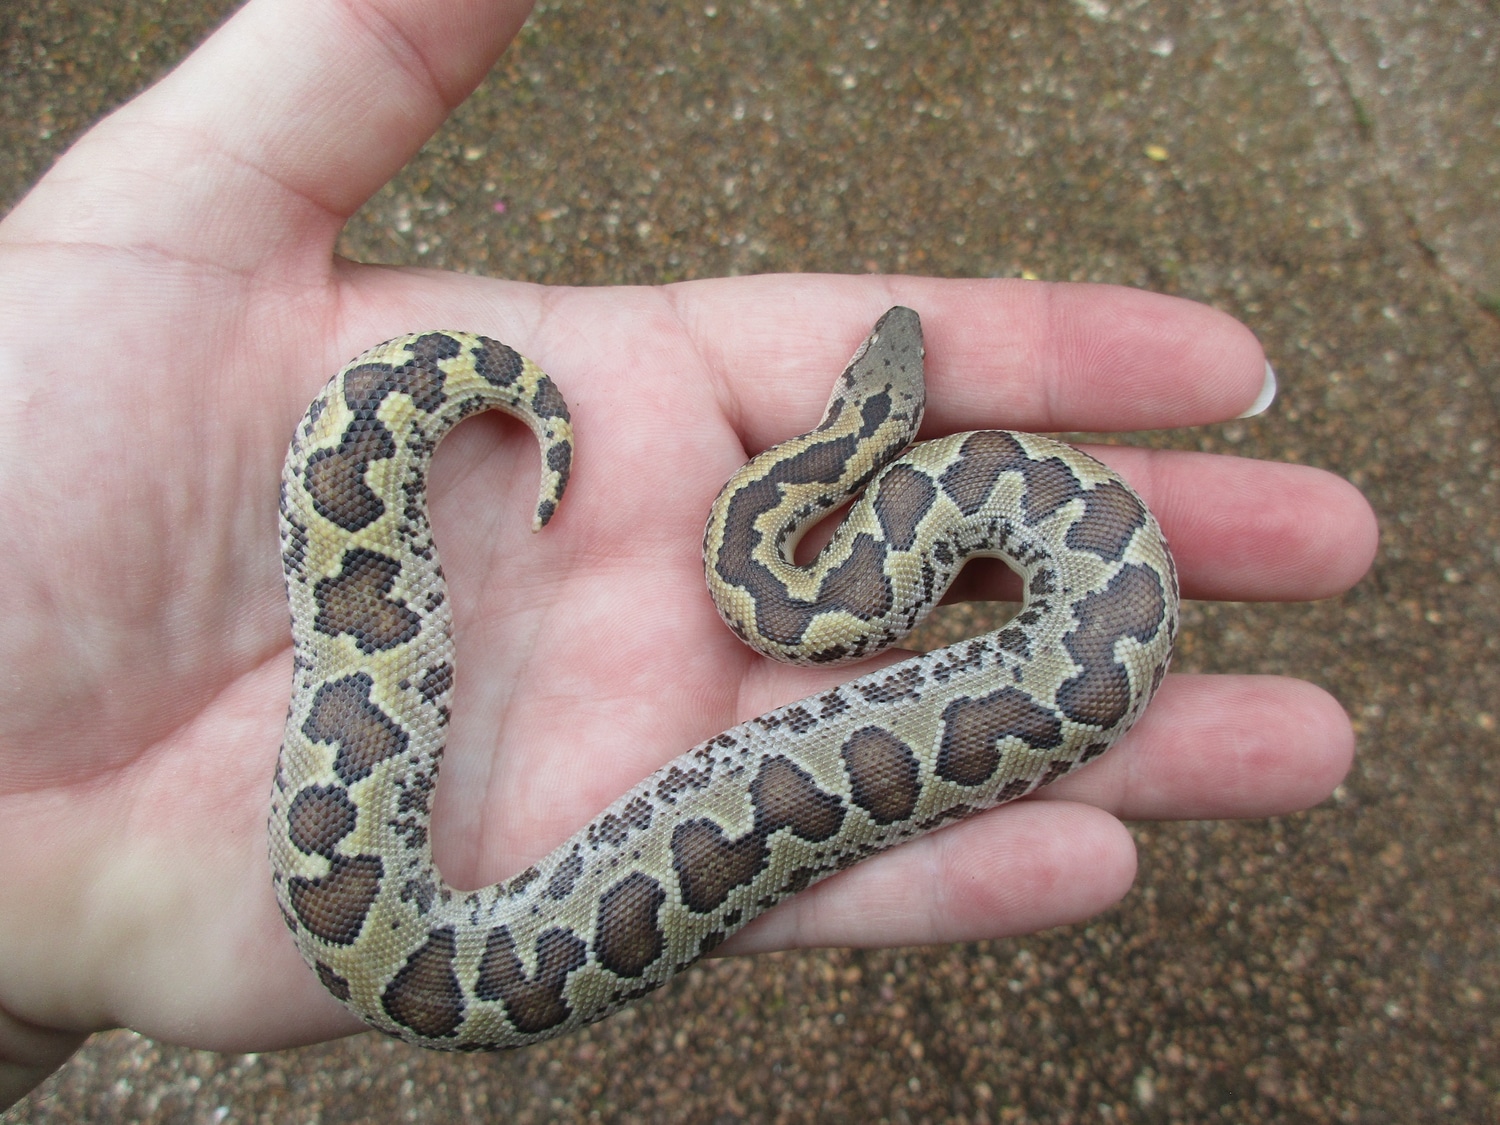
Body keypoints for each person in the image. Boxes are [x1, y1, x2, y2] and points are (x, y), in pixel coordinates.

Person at [0, 0, 1377, 1108]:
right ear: (869, 435)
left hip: (464, 893)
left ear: (861, 429)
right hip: (424, 945)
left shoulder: (811, 526)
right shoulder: (794, 530)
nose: (889, 380)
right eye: (882, 400)